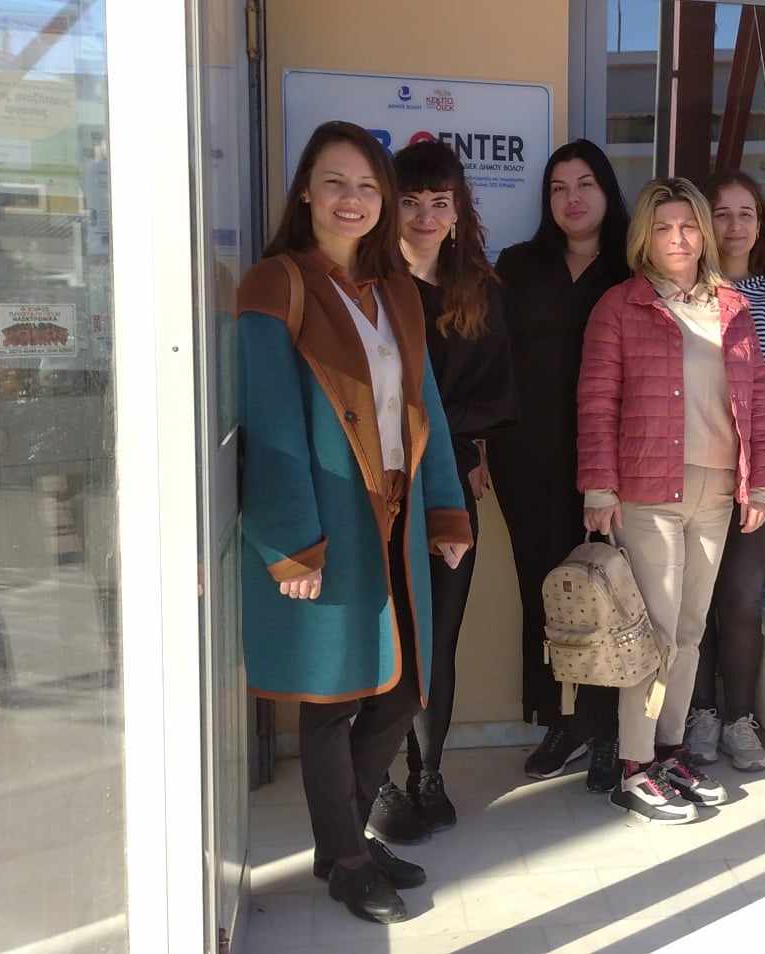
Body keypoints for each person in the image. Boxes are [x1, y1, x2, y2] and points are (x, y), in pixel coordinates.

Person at [237, 120, 472, 924]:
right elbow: (270, 423)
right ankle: (344, 858)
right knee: (334, 696)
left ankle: (344, 839)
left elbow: (424, 408)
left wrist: (447, 507)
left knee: (402, 691)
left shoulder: (395, 290)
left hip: (397, 520)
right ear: (305, 191)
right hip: (328, 521)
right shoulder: (275, 284)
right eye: (335, 182)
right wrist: (293, 543)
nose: (352, 199)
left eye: (368, 185)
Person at [578, 177, 765, 825]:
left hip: (716, 490)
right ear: (645, 235)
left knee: (690, 632)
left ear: (704, 233)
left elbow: (757, 401)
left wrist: (760, 480)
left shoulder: (731, 306)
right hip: (647, 490)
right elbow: (597, 402)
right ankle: (634, 766)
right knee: (655, 635)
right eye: (664, 227)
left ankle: (668, 753)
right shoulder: (621, 306)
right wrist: (598, 486)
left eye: (689, 225)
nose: (678, 238)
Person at [360, 139, 517, 844]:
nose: (425, 217)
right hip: (381, 481)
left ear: (459, 213)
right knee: (388, 629)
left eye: (440, 203)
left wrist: (463, 444)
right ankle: (378, 776)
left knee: (439, 635)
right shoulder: (365, 286)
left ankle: (430, 772)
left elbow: (498, 393)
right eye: (412, 202)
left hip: (448, 481)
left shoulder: (479, 291)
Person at [492, 141, 632, 792]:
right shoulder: (518, 266)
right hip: (526, 459)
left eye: (584, 184)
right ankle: (559, 720)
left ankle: (607, 729)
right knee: (543, 593)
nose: (571, 198)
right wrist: (482, 445)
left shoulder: (633, 268)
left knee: (609, 592)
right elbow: (493, 361)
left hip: (610, 465)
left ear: (606, 191)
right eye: (558, 187)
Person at [682, 171, 765, 772]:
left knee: (739, 598)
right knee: (696, 600)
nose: (734, 225)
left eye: (747, 213)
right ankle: (701, 713)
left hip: (763, 471)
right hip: (699, 468)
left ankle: (739, 719)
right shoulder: (686, 290)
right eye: (721, 213)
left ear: (761, 224)